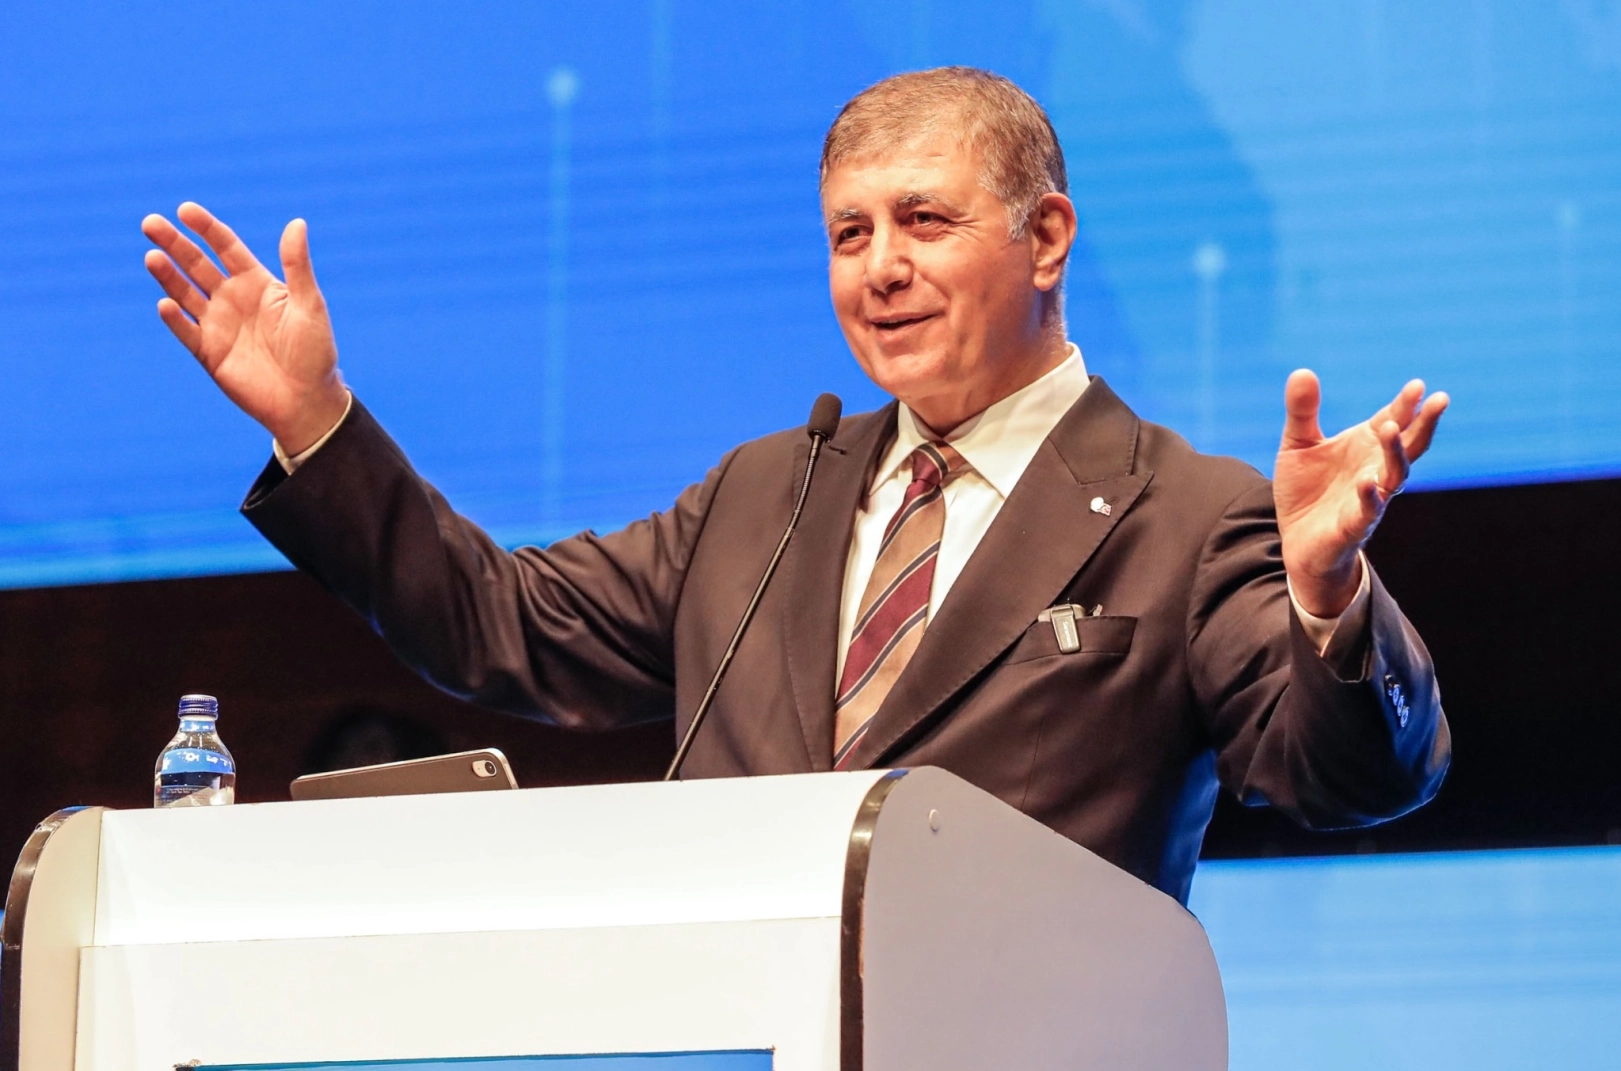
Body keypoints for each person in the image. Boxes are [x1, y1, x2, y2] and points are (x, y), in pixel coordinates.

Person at [140, 68, 1449, 903]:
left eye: (924, 221)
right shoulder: (766, 497)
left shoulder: (1184, 512)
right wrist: (318, 423)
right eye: (848, 233)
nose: (879, 268)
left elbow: (1347, 778)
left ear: (1045, 237)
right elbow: (498, 622)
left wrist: (1330, 600)